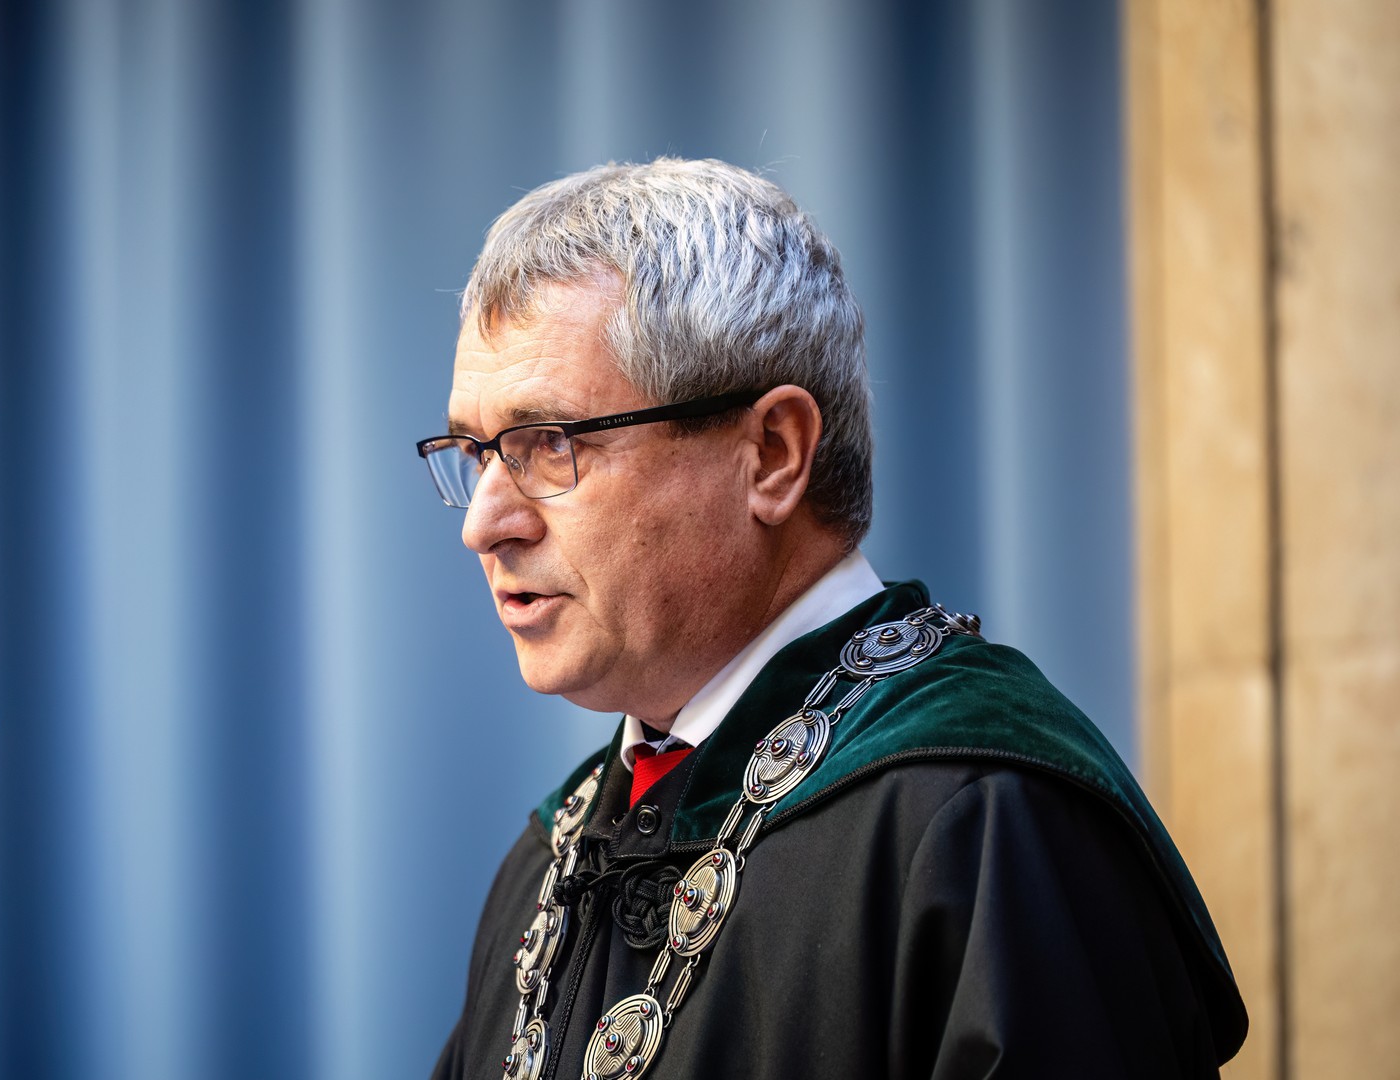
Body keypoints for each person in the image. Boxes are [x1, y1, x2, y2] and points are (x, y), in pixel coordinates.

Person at [417, 159, 1247, 1080]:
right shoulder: (548, 862)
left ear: (772, 454)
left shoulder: (982, 817)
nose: (484, 524)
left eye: (547, 444)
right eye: (475, 453)